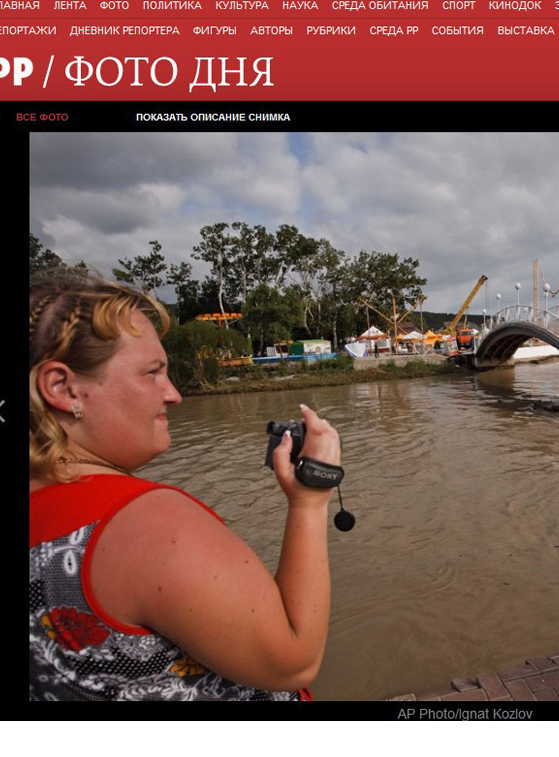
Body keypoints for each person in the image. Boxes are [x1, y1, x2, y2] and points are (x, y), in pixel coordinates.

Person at [29, 270, 339, 701]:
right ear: (63, 388)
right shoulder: (146, 524)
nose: (173, 394)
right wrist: (310, 502)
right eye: (152, 373)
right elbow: (295, 661)